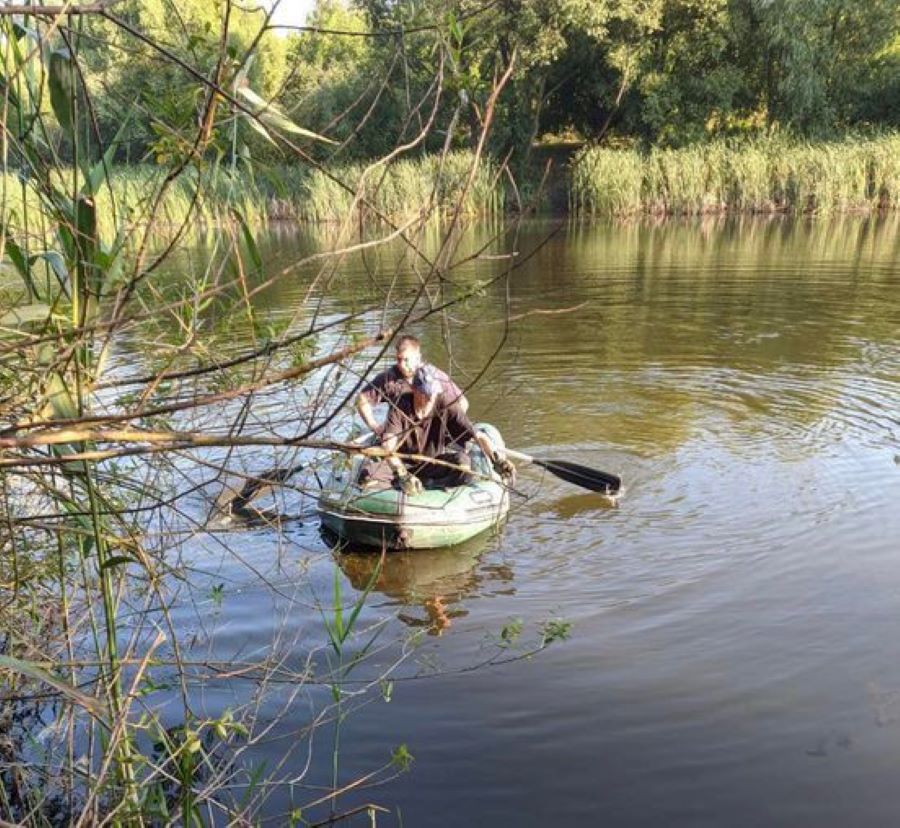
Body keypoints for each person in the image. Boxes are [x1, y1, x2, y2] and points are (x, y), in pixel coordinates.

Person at [359, 365, 515, 495]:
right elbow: (388, 445)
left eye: (432, 394)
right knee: (368, 475)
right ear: (414, 389)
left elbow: (477, 436)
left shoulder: (445, 404)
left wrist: (497, 460)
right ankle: (403, 486)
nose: (429, 399)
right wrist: (401, 473)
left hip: (433, 463)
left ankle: (431, 485)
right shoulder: (400, 406)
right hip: (403, 463)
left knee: (463, 463)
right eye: (423, 393)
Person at [355, 334, 468, 437]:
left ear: (418, 357)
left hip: (432, 434)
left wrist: (450, 426)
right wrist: (374, 425)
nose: (402, 365)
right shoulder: (388, 378)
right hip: (400, 432)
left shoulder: (434, 377)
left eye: (406, 360)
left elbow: (462, 401)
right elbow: (362, 399)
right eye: (399, 360)